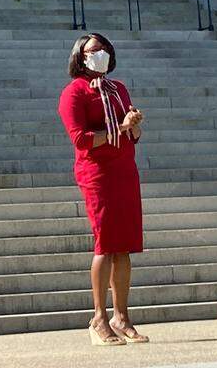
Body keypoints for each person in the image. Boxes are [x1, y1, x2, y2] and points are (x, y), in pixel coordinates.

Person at [57, 33, 148, 346]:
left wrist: (134, 123)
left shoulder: (118, 88)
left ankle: (121, 316)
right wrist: (119, 129)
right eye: (94, 50)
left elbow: (131, 135)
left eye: (104, 48)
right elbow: (81, 139)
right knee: (105, 243)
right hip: (97, 173)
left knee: (124, 246)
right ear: (81, 57)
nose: (101, 53)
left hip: (124, 170)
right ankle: (98, 316)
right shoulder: (75, 93)